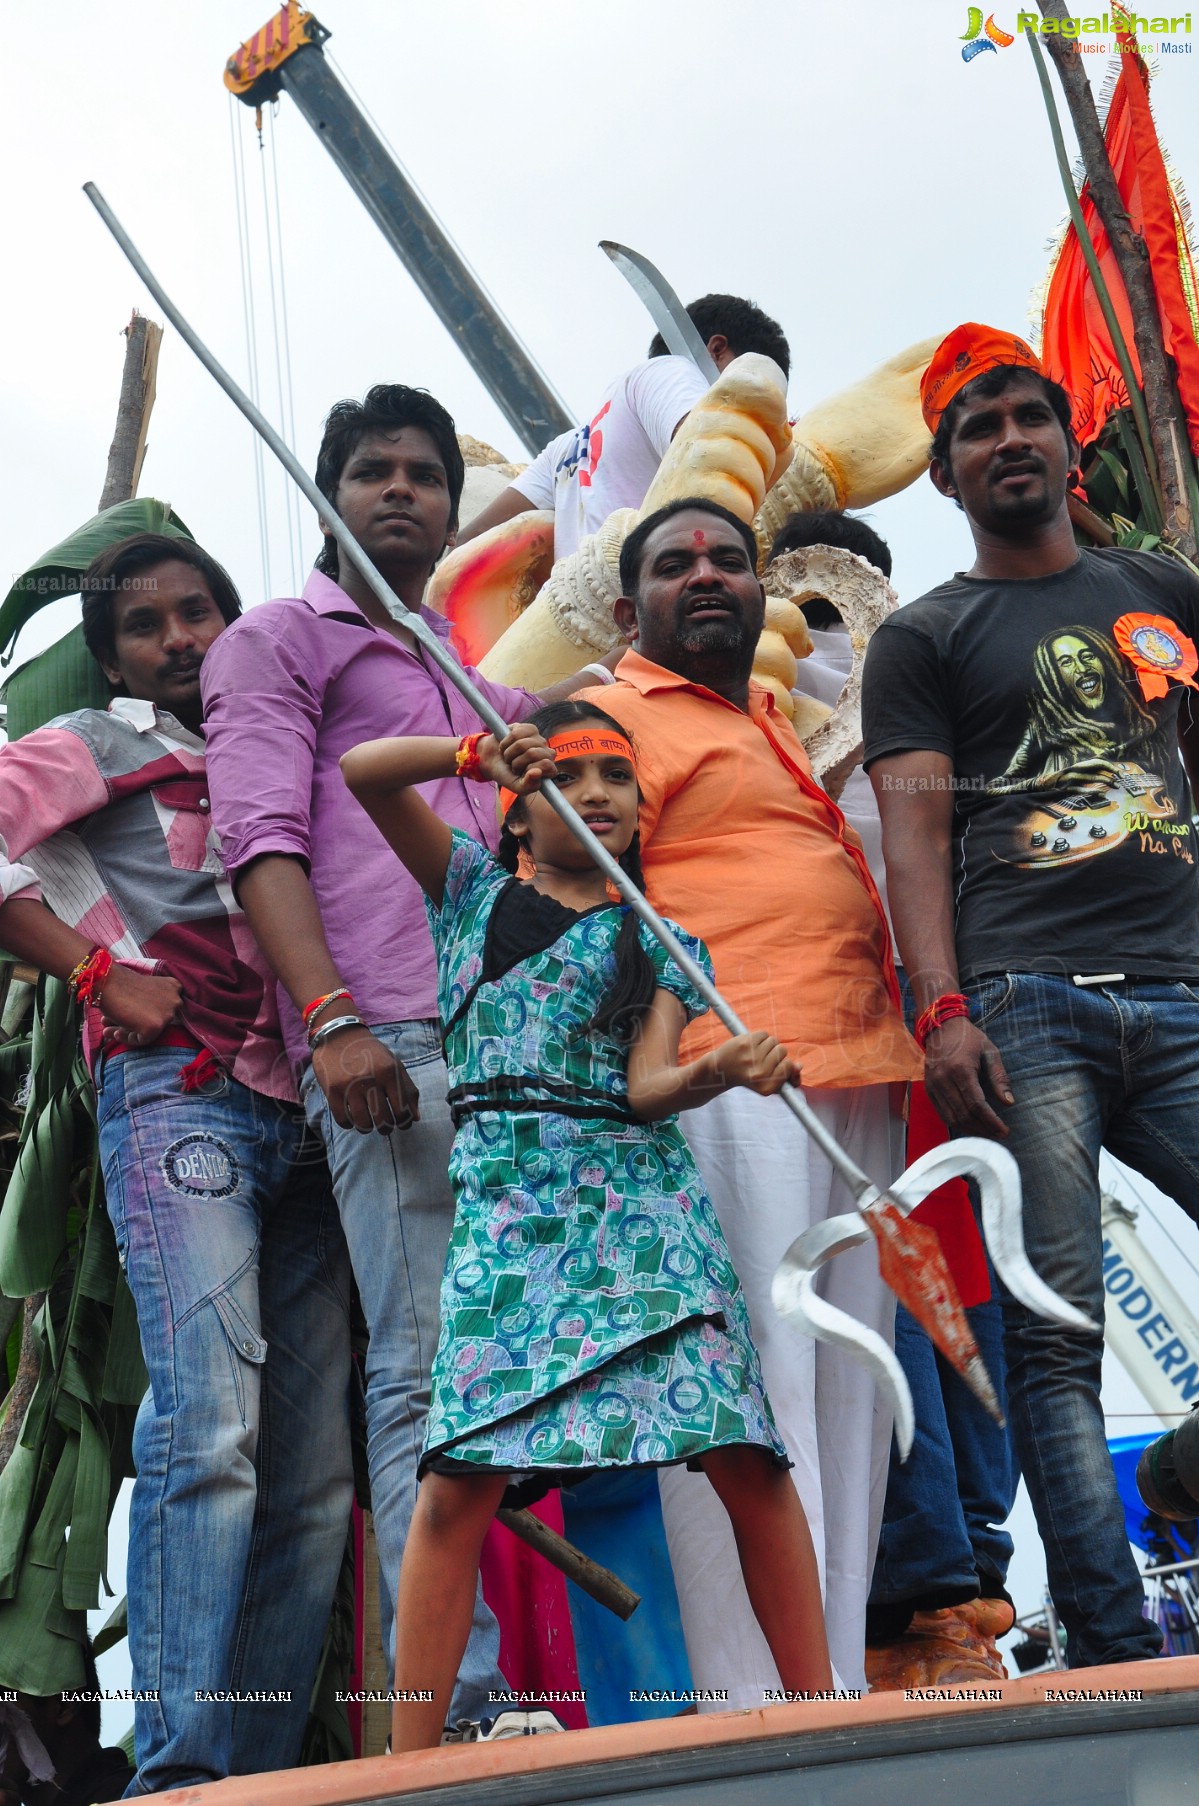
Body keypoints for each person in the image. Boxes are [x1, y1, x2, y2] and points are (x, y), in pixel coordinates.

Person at [201, 384, 628, 1727]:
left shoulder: (462, 677)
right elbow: (257, 837)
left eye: (423, 474)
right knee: (421, 1365)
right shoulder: (278, 640)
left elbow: (586, 737)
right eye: (370, 469)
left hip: (505, 1044)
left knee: (484, 1364)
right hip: (383, 1035)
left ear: (451, 503)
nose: (399, 491)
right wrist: (327, 1017)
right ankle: (459, 1703)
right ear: (324, 486)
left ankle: (466, 1694)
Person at [340, 702, 833, 1751]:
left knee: (744, 1453)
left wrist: (720, 1068)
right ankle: (408, 1760)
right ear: (516, 811)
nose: (601, 791)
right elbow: (364, 772)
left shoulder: (659, 938)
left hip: (643, 1213)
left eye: (620, 775)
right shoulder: (469, 890)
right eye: (573, 771)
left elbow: (651, 1087)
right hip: (511, 1217)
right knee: (457, 1478)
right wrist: (472, 751)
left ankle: (822, 1709)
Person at [861, 321, 1199, 1669]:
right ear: (942, 474)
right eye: (974, 427)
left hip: (1182, 989)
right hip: (1024, 1000)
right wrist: (939, 1008)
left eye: (1024, 415)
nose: (1005, 437)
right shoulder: (924, 636)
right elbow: (911, 834)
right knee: (1057, 1332)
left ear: (1068, 446)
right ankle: (1114, 1646)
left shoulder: (1159, 591)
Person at [0, 533, 351, 1791]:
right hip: (179, 1098)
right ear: (111, 661)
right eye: (146, 627)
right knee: (208, 1424)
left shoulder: (281, 746)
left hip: (316, 1112)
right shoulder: (97, 747)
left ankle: (248, 1777)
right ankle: (180, 1772)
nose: (180, 640)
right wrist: (97, 970)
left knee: (311, 1475)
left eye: (198, 611)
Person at [573, 498, 921, 1698]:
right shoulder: (606, 714)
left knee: (847, 1398)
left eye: (729, 559)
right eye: (676, 565)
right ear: (630, 609)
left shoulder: (768, 714)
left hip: (853, 1071)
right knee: (750, 1387)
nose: (708, 576)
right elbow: (576, 904)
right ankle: (748, 1703)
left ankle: (825, 1684)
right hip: (726, 1078)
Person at [771, 510, 1019, 1684]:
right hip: (838, 1053)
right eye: (805, 610)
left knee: (976, 1308)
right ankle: (924, 1600)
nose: (826, 636)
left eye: (848, 606)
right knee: (899, 1308)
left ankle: (967, 1587)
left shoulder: (933, 704)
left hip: (950, 1042)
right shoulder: (758, 725)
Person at [459, 295, 791, 560]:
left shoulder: (567, 447)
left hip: (576, 618)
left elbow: (470, 542)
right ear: (717, 350)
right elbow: (711, 458)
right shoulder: (669, 370)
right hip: (651, 604)